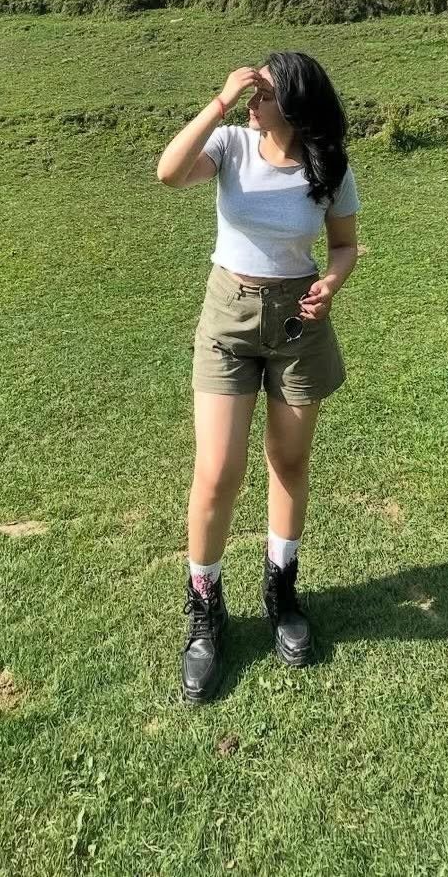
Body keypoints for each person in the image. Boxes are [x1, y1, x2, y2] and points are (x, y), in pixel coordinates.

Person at [155, 51, 363, 705]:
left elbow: (344, 245)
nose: (252, 100)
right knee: (217, 470)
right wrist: (219, 101)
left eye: (264, 92)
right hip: (229, 316)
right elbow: (168, 173)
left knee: (289, 461)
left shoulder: (328, 165)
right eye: (250, 91)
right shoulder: (229, 144)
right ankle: (204, 609)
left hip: (298, 323)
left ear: (295, 105)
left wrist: (332, 282)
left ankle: (281, 589)